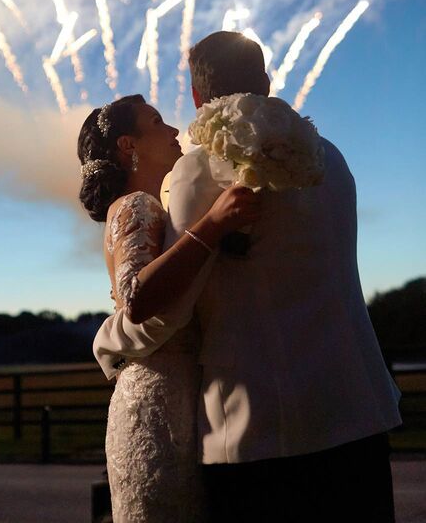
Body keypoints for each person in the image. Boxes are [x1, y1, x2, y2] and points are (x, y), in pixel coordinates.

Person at [93, 33, 402, 523]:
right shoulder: (332, 160)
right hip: (357, 412)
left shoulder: (197, 171)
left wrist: (107, 343)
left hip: (258, 430)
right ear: (266, 81)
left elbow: (163, 311)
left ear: (197, 97)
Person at [78, 93, 260, 523]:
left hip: (172, 394)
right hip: (157, 405)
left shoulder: (149, 207)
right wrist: (213, 224)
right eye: (157, 122)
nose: (174, 130)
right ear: (129, 146)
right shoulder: (136, 205)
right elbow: (136, 300)